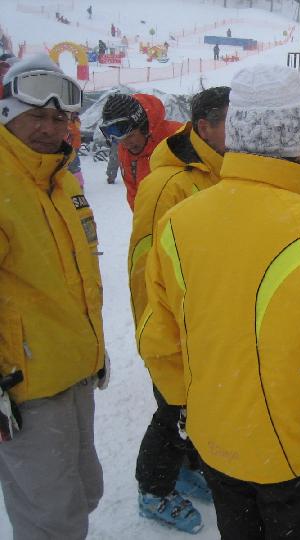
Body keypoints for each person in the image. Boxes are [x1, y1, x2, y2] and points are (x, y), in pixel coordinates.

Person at [137, 64, 300, 539]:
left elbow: (159, 336)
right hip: (298, 455)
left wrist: (185, 402)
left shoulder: (180, 222)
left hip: (217, 445)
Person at [0, 54, 107, 539]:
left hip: (74, 370)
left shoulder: (60, 180)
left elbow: (81, 277)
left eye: (59, 118)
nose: (49, 128)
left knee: (84, 492)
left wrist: (94, 348)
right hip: (25, 387)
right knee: (51, 519)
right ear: (8, 113)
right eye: (36, 116)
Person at [129, 86, 230, 533]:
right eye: (233, 120)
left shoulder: (220, 172)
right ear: (204, 126)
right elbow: (144, 268)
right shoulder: (168, 185)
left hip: (205, 324)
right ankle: (153, 489)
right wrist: (157, 339)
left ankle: (187, 470)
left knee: (196, 410)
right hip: (172, 330)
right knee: (172, 411)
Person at [99, 93, 181, 210]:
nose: (125, 144)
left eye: (130, 136)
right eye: (119, 140)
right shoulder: (125, 151)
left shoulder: (179, 137)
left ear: (144, 127)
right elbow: (134, 194)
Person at [66, 111, 84, 188]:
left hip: (73, 145)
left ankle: (79, 184)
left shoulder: (74, 122)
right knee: (69, 164)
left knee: (73, 164)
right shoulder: (74, 121)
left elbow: (73, 130)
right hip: (70, 145)